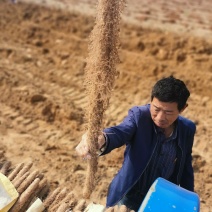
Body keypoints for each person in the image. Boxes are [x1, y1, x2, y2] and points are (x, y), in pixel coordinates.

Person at [75, 76, 196, 211]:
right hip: (128, 195)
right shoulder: (139, 116)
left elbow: (185, 167)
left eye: (168, 112)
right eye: (156, 109)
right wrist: (103, 138)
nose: (160, 117)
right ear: (151, 101)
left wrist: (188, 200)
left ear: (183, 108)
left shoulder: (187, 129)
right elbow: (121, 132)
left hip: (160, 199)